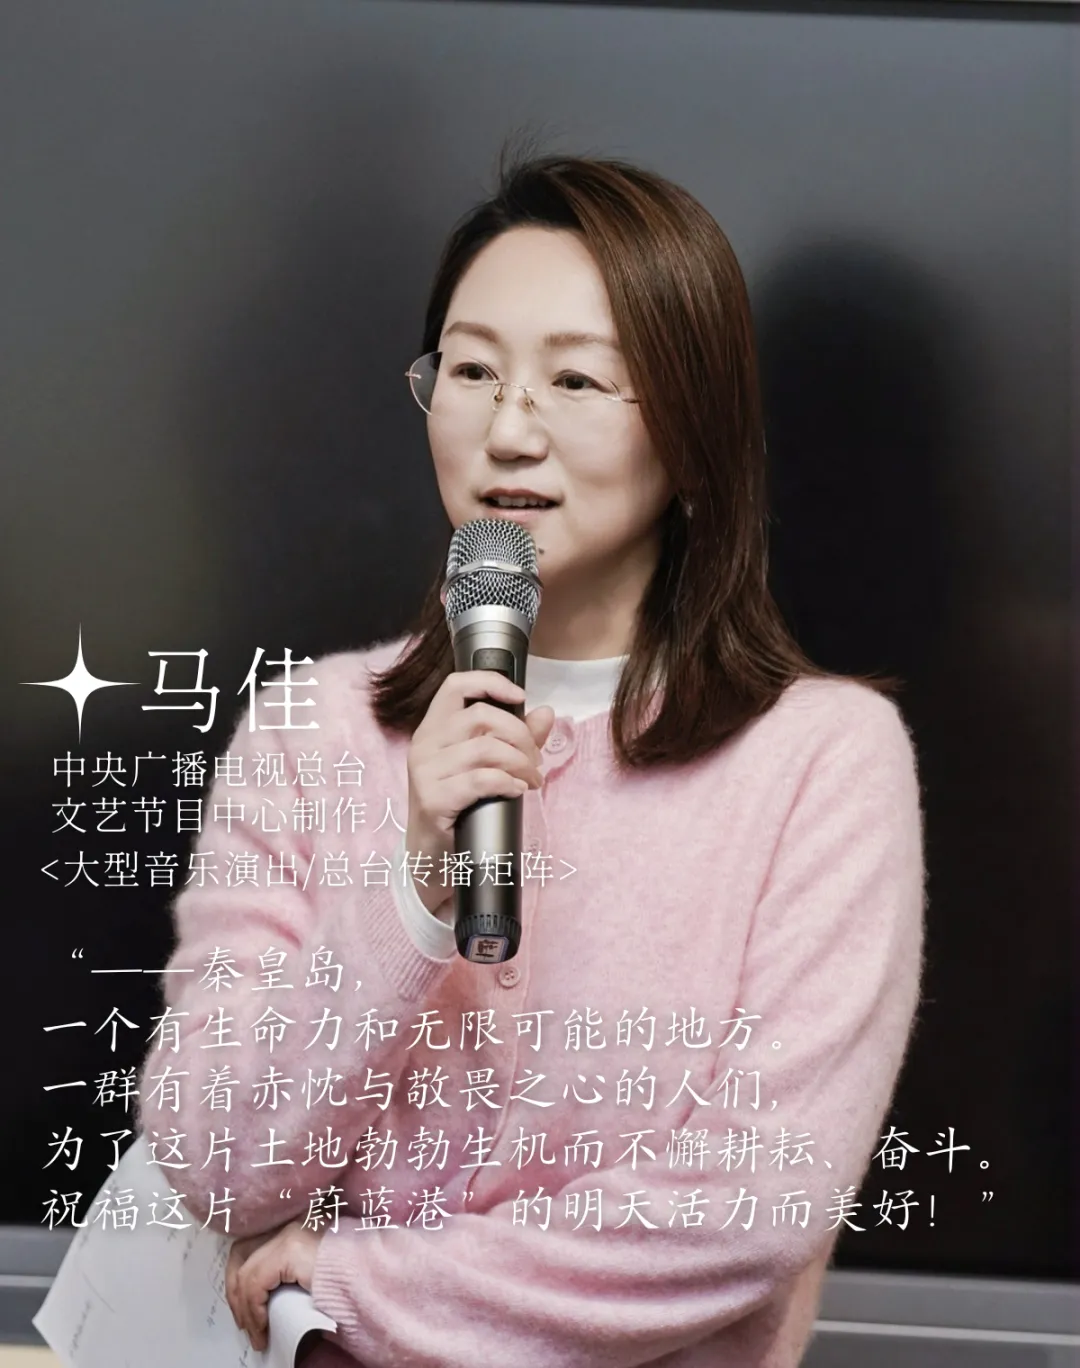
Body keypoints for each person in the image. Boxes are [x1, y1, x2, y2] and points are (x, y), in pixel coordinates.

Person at [135, 141, 926, 1368]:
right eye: (470, 370)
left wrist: (362, 1286)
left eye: (575, 380)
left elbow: (754, 1205)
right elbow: (215, 1161)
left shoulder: (821, 760)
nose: (508, 430)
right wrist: (409, 891)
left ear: (693, 429)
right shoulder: (308, 729)